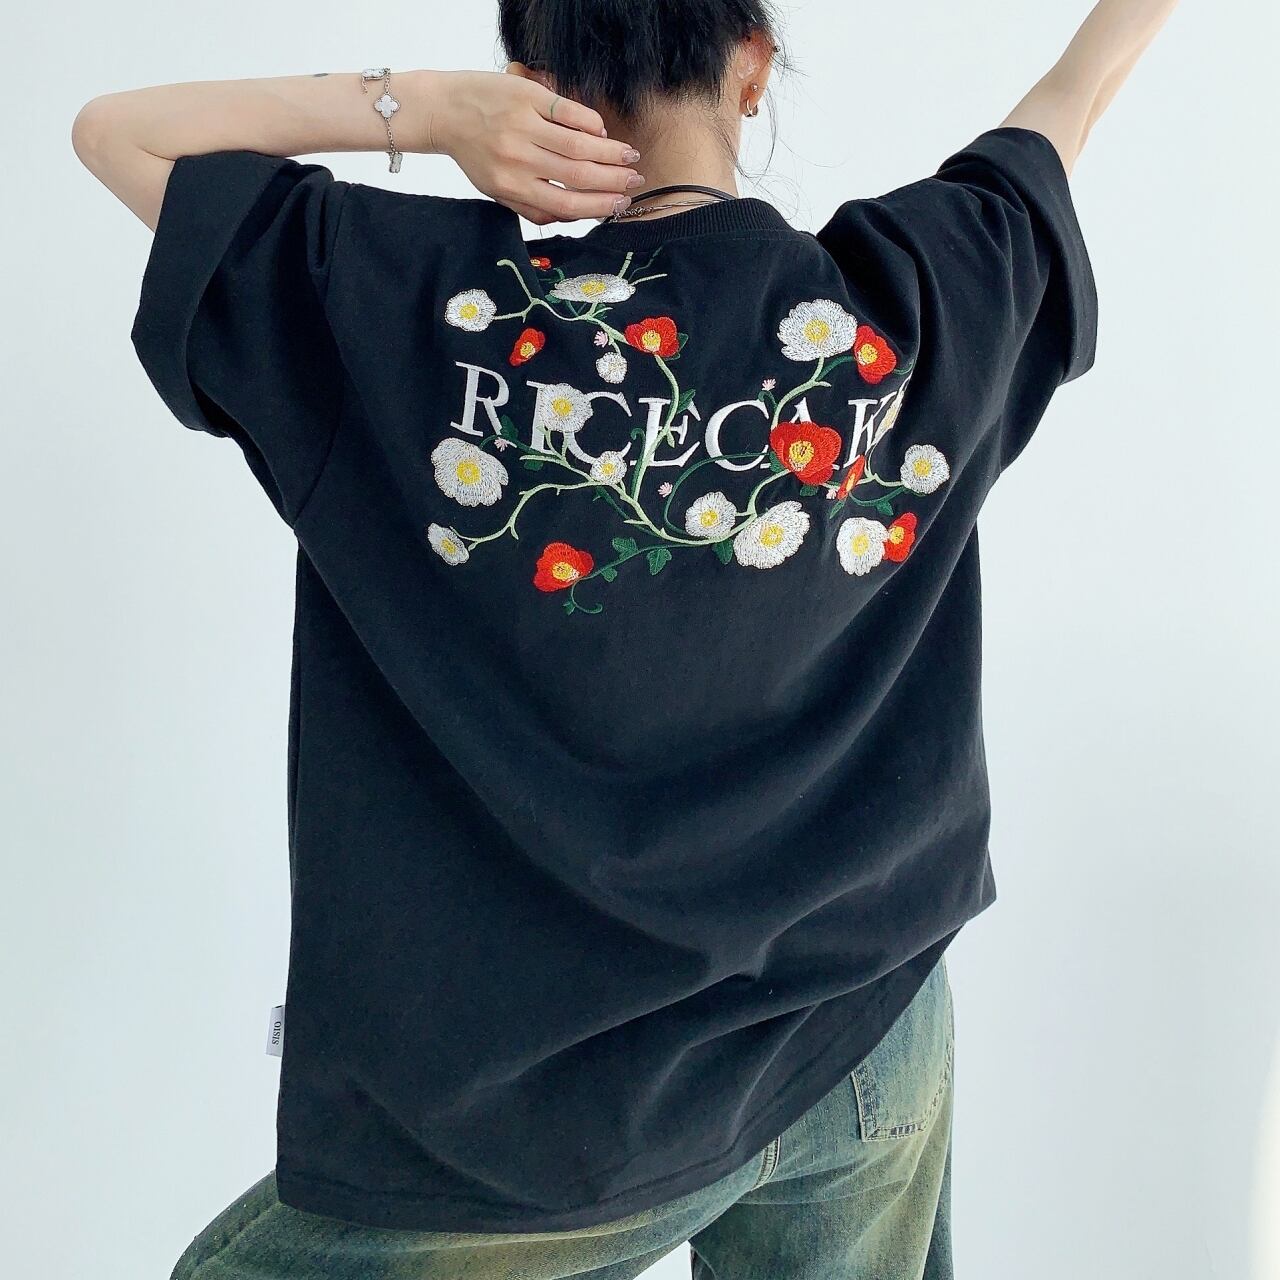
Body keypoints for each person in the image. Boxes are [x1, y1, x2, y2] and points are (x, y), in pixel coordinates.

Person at [71, 1, 1179, 1275]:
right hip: (860, 1036)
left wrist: (420, 110)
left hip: (545, 1121)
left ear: (538, 86)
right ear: (752, 64)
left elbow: (117, 135)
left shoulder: (417, 308)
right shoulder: (915, 293)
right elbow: (1070, 99)